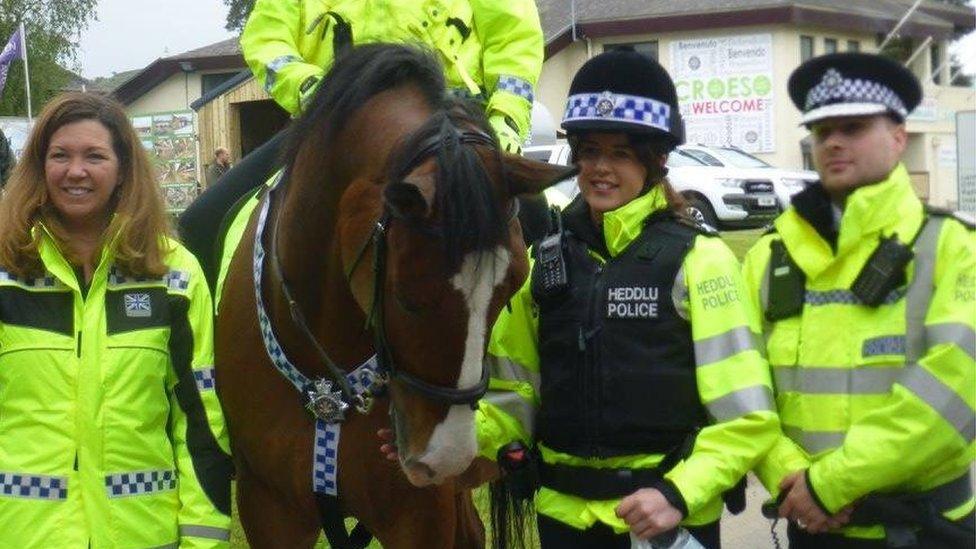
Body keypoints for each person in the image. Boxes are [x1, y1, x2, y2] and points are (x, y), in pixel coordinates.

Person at [473, 50, 780, 548]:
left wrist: (677, 495)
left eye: (620, 153)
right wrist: (456, 437)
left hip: (664, 521)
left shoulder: (701, 261)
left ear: (656, 159)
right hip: (564, 521)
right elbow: (512, 397)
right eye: (589, 150)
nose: (599, 168)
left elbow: (746, 419)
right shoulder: (545, 261)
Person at [743, 52, 975, 548]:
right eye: (822, 130)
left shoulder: (953, 247)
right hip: (812, 525)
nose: (833, 143)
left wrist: (828, 485)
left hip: (925, 529)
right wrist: (790, 476)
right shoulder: (768, 255)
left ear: (898, 137)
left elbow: (954, 391)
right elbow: (743, 388)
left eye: (852, 126)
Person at [178, 0, 545, 291]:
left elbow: (514, 41)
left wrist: (504, 126)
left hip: (450, 123)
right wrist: (317, 91)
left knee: (541, 225)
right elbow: (266, 38)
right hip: (335, 122)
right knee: (201, 224)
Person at [0, 92, 233, 548]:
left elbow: (202, 424)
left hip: (143, 534)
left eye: (95, 156)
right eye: (60, 155)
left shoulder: (174, 275)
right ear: (39, 166)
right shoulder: (7, 271)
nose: (75, 171)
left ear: (124, 168)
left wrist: (204, 540)